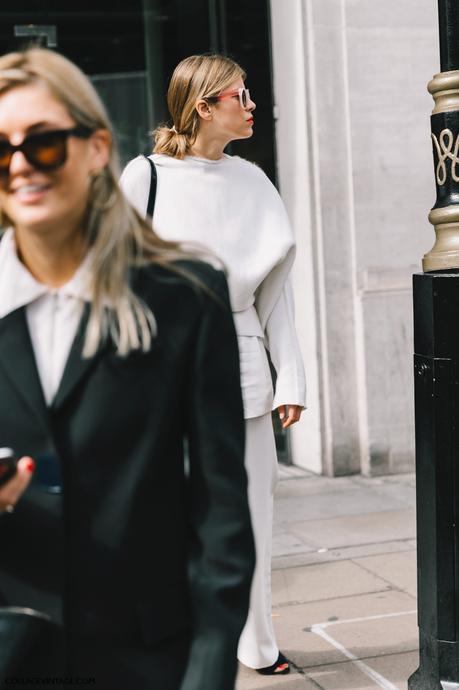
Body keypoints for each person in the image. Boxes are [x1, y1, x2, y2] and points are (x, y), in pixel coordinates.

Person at [0, 47, 255, 690]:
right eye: (1, 149)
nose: (21, 164)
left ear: (94, 149)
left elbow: (221, 516)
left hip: (146, 658)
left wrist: (205, 676)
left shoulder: (184, 298)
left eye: (45, 142)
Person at [120, 53, 307, 676]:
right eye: (240, 95)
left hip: (242, 361)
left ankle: (256, 642)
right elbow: (113, 280)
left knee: (253, 511)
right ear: (203, 105)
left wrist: (292, 377)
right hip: (162, 366)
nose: (251, 105)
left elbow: (274, 295)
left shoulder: (254, 181)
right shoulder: (143, 176)